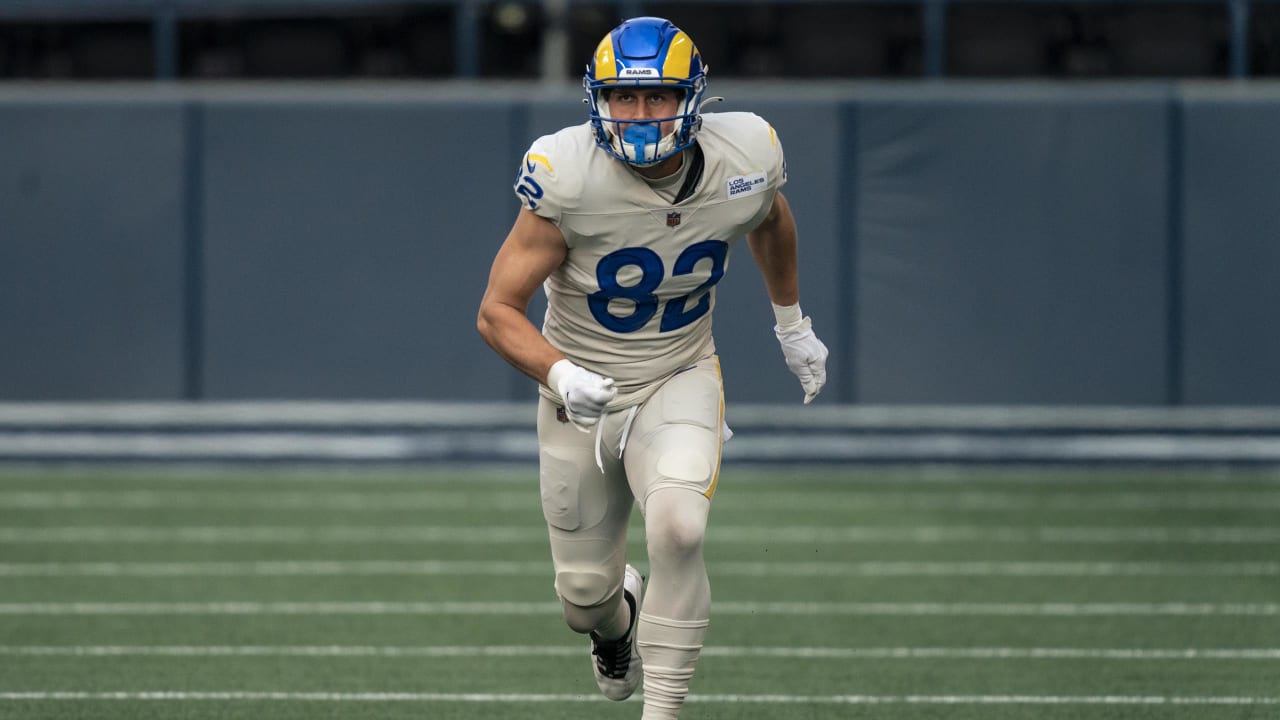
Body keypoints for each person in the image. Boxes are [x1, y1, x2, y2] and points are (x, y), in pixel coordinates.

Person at [476, 15, 829, 718]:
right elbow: (496, 311)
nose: (640, 115)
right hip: (582, 393)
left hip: (678, 371)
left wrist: (792, 323)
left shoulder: (746, 153)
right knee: (584, 600)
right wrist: (562, 375)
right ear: (597, 100)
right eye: (624, 98)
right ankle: (617, 623)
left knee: (678, 527)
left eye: (658, 97)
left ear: (692, 98)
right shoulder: (566, 174)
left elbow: (772, 220)